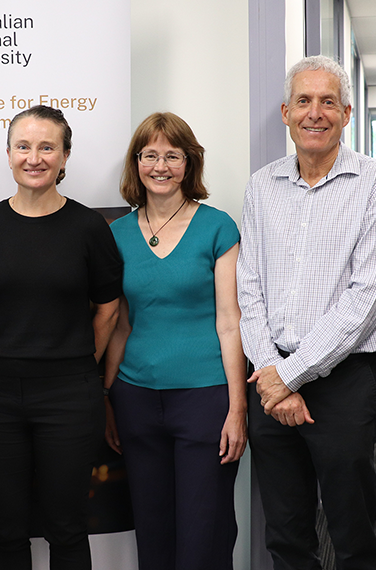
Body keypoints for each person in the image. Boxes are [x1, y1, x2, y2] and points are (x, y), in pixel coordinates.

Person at [237, 55, 376, 569]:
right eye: (304, 102)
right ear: (286, 112)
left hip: (343, 380)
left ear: (347, 113)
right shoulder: (261, 186)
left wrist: (287, 376)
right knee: (285, 530)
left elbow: (367, 296)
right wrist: (272, 374)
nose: (315, 113)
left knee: (352, 525)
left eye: (327, 102)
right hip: (268, 373)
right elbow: (249, 289)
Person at [0, 105, 122, 570]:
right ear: (9, 155)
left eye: (47, 147)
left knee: (67, 527)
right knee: (6, 529)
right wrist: (14, 349)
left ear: (64, 156)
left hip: (70, 394)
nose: (35, 157)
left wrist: (70, 360)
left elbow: (108, 308)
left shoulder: (89, 227)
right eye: (24, 146)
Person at [103, 112, 246, 570]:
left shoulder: (217, 227)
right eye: (150, 155)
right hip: (136, 399)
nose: (160, 165)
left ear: (190, 163)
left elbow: (230, 322)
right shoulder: (117, 234)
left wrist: (237, 408)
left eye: (172, 155)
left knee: (205, 532)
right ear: (136, 162)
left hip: (205, 400)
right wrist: (107, 397)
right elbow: (120, 324)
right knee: (153, 528)